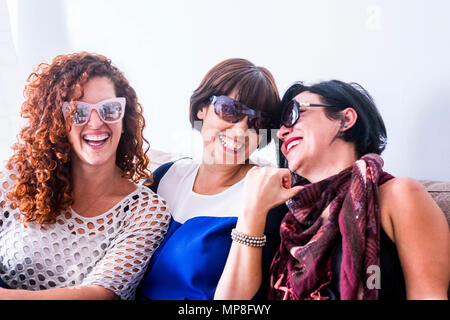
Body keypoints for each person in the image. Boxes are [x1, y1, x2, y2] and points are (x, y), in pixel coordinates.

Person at [215, 80, 449, 300]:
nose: (282, 132)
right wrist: (252, 210)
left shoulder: (398, 194)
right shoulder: (289, 220)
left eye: (293, 114)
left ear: (345, 119)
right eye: (279, 127)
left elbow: (429, 295)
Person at [0, 52, 170, 300]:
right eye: (78, 112)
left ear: (125, 117)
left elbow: (98, 296)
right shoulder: (18, 176)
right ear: (57, 122)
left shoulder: (145, 210)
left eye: (109, 109)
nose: (95, 122)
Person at [136, 58, 290, 300]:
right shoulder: (165, 176)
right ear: (202, 108)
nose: (241, 130)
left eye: (258, 122)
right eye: (230, 110)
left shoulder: (265, 194)